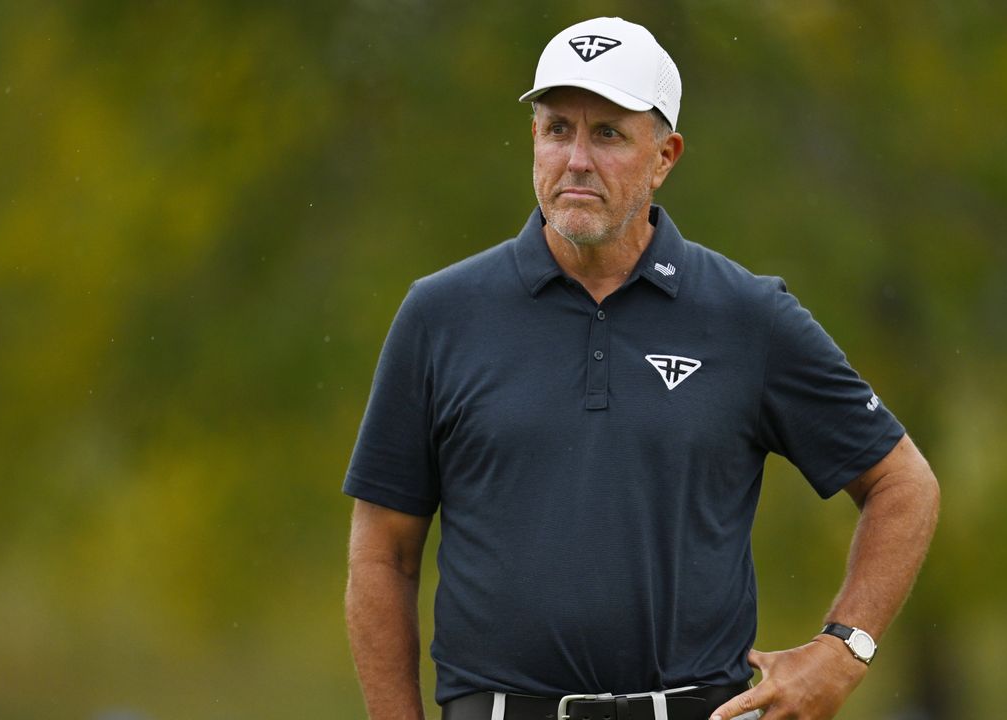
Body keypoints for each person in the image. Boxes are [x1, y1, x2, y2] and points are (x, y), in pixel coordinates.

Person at [343, 16, 939, 720]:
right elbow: (384, 556)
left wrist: (844, 650)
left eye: (608, 134)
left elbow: (903, 483)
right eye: (558, 128)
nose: (577, 160)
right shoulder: (440, 316)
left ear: (664, 156)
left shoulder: (747, 317)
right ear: (533, 139)